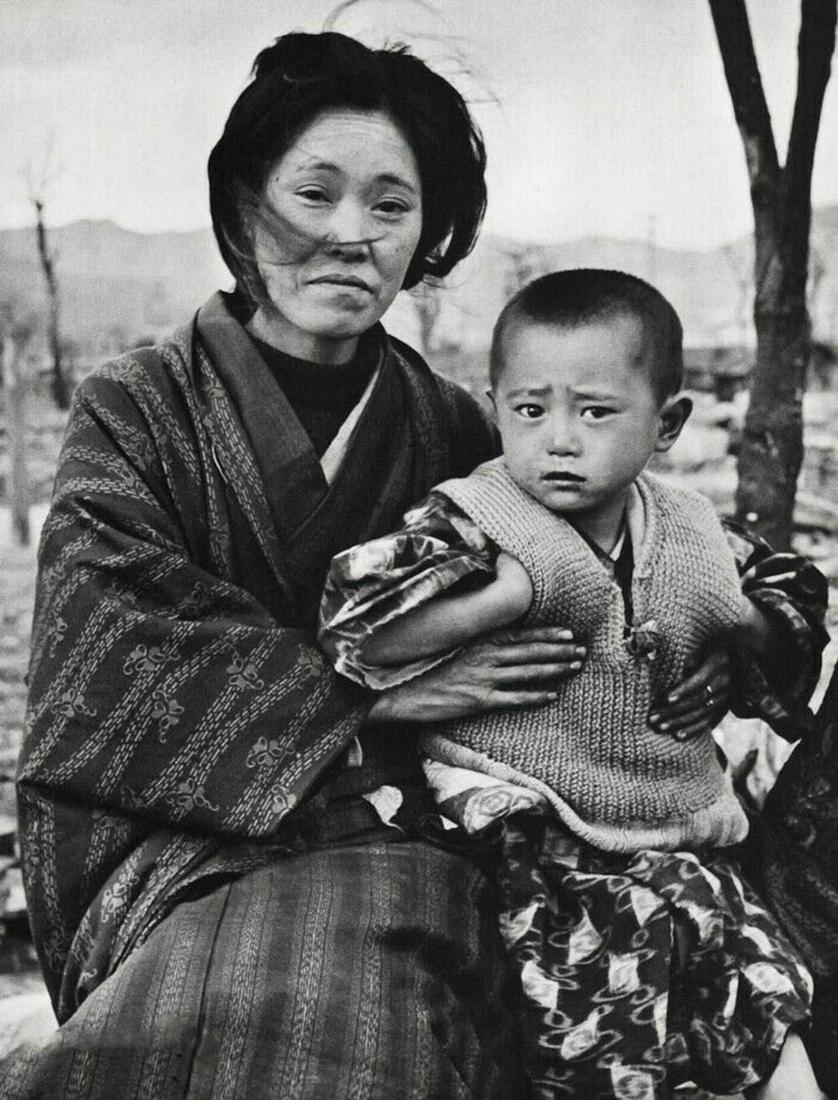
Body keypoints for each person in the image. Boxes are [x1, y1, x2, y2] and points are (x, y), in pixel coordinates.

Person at [2, 30, 827, 1100]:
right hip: (176, 839)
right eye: (314, 193)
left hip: (405, 830)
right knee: (287, 985)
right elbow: (111, 663)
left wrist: (726, 638)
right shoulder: (138, 409)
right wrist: (378, 690)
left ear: (426, 232)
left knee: (395, 985)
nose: (348, 235)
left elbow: (687, 549)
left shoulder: (456, 429)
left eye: (390, 206)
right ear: (246, 202)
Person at [319, 270, 825, 1098]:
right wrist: (500, 598)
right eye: (529, 410)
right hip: (519, 819)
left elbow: (790, 596)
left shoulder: (693, 528)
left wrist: (740, 631)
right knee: (606, 982)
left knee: (753, 973)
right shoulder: (477, 518)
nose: (558, 439)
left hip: (666, 819)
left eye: (594, 412)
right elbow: (354, 628)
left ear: (667, 426)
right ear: (495, 409)